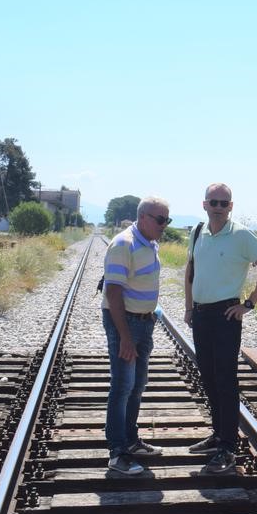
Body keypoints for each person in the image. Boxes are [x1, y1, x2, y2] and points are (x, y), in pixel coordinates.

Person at [184, 183, 257, 474]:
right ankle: (218, 435)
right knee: (209, 377)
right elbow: (190, 270)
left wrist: (248, 305)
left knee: (225, 379)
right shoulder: (198, 232)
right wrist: (188, 307)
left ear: (231, 206)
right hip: (200, 314)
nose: (219, 207)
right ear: (204, 204)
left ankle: (228, 447)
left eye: (224, 203)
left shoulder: (241, 234)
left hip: (226, 314)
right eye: (214, 202)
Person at [101, 196, 171, 475]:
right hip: (125, 323)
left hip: (144, 322)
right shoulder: (123, 244)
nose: (165, 225)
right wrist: (125, 336)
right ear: (143, 218)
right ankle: (117, 452)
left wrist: (152, 313)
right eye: (160, 219)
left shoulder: (150, 242)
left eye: (168, 220)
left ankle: (130, 440)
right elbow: (113, 292)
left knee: (138, 383)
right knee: (122, 386)